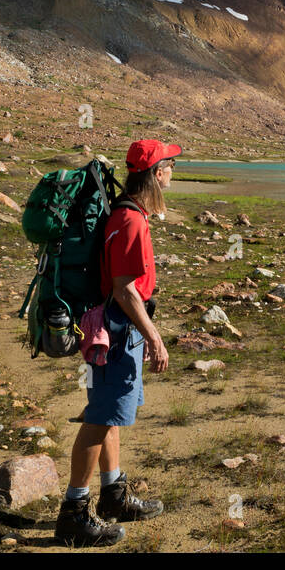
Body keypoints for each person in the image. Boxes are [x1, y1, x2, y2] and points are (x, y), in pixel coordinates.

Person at [55, 139, 179, 546]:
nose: (173, 172)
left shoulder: (127, 213)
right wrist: (154, 337)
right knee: (99, 419)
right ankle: (73, 513)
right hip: (118, 328)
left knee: (111, 416)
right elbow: (126, 291)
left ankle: (113, 494)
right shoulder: (131, 222)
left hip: (115, 327)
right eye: (170, 166)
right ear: (156, 174)